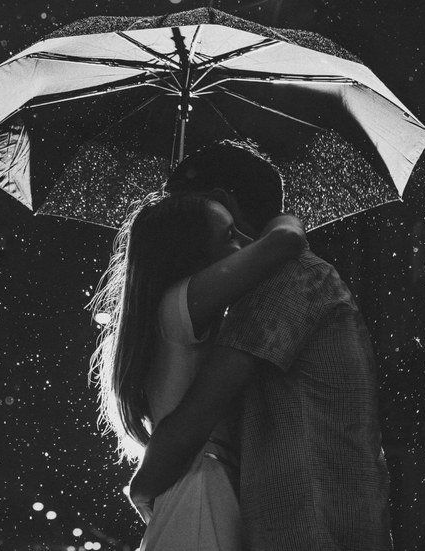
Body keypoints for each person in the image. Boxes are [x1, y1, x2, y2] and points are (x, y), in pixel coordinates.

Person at [127, 142, 393, 549]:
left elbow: (197, 415)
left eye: (184, 208)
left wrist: (142, 486)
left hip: (307, 526)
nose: (174, 223)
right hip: (325, 519)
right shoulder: (295, 278)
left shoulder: (281, 281)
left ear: (220, 200)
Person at [88, 142, 308, 550]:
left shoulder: (168, 311)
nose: (244, 242)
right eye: (229, 235)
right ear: (191, 251)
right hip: (203, 491)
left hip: (194, 487)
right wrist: (281, 216)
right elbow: (286, 241)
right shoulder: (181, 302)